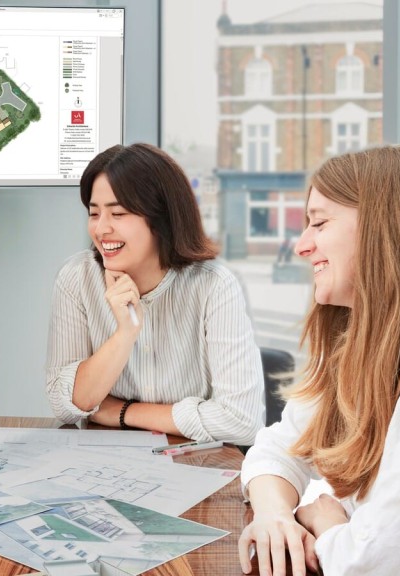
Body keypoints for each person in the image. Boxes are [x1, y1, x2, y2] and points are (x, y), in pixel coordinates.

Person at [237, 145, 400, 576]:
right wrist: (274, 516)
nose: (302, 246)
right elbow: (279, 447)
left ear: (384, 229)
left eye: (319, 223)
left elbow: (375, 565)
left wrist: (326, 519)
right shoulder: (360, 345)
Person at [45, 143, 263, 445]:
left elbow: (241, 421)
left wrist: (122, 412)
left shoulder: (215, 286)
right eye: (94, 213)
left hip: (196, 467)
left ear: (160, 219)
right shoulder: (77, 278)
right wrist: (125, 333)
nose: (101, 228)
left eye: (118, 213)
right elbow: (64, 403)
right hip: (104, 464)